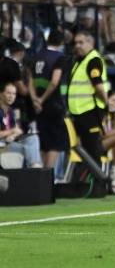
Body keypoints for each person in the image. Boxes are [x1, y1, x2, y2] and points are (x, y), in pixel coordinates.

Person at [28, 29, 69, 169]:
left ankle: (41, 178)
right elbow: (54, 82)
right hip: (54, 105)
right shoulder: (60, 58)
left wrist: (35, 100)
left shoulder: (36, 56)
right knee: (56, 143)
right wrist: (43, 99)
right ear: (62, 42)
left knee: (44, 142)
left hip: (38, 108)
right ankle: (48, 176)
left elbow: (30, 81)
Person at [67, 31, 109, 167]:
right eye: (75, 43)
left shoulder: (93, 61)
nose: (77, 46)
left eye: (81, 42)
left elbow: (98, 87)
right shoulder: (80, 61)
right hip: (80, 114)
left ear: (91, 43)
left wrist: (106, 104)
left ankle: (98, 187)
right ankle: (87, 186)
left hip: (89, 113)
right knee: (85, 153)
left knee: (92, 152)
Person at [0, 82, 42, 168]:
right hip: (2, 146)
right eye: (8, 93)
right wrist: (12, 131)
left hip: (9, 142)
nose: (11, 96)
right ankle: (35, 169)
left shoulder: (10, 111)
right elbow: (13, 130)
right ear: (1, 94)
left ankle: (35, 166)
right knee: (28, 150)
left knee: (33, 138)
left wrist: (13, 135)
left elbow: (18, 131)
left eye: (14, 94)